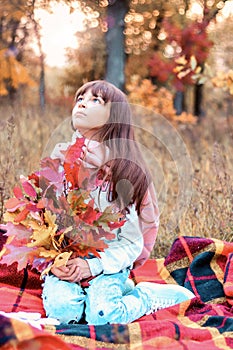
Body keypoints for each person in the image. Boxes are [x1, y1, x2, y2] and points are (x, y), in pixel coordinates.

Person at [42, 80, 194, 325]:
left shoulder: (122, 172)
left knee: (102, 317)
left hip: (109, 259)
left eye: (95, 100)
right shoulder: (60, 159)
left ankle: (144, 295)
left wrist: (93, 267)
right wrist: (53, 262)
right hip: (68, 259)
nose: (82, 103)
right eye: (80, 98)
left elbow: (131, 241)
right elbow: (44, 223)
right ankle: (89, 294)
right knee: (63, 313)